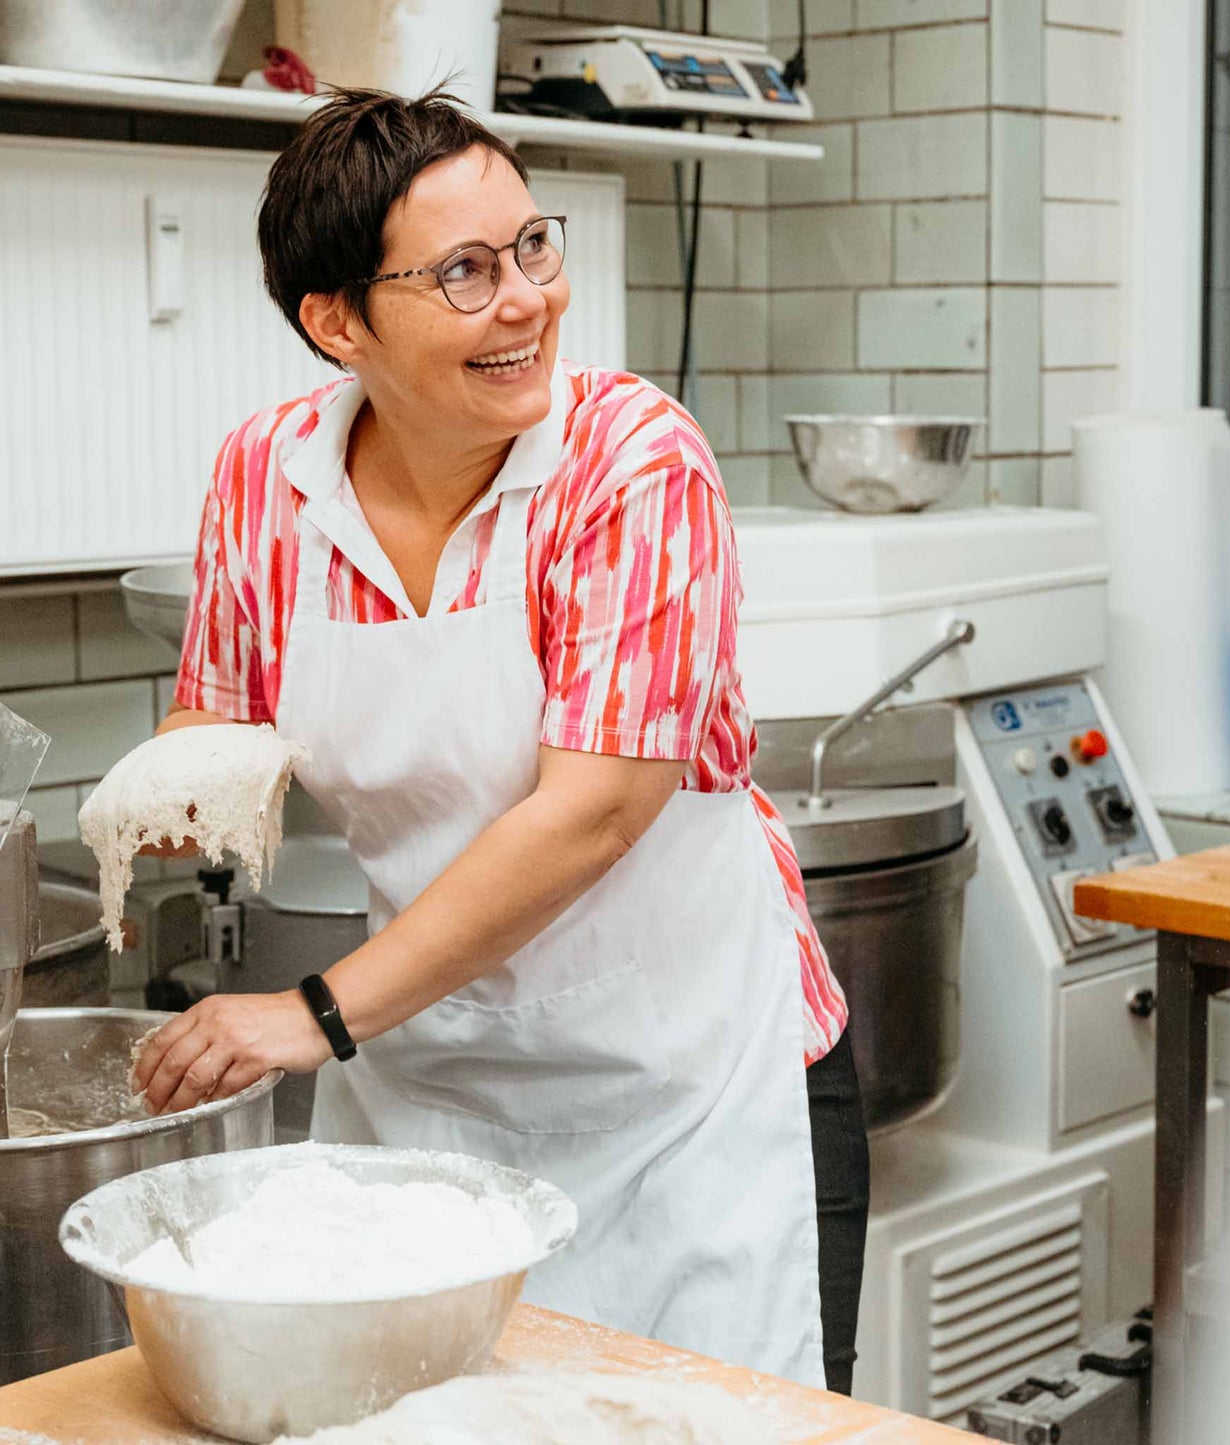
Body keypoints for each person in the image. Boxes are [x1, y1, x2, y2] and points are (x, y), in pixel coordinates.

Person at [129, 88, 870, 1392]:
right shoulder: (266, 477)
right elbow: (219, 716)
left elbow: (594, 811)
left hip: (689, 1103)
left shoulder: (631, 462)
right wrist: (166, 799)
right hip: (423, 1099)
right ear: (336, 321)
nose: (527, 300)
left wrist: (311, 1012)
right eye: (464, 272)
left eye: (532, 246)